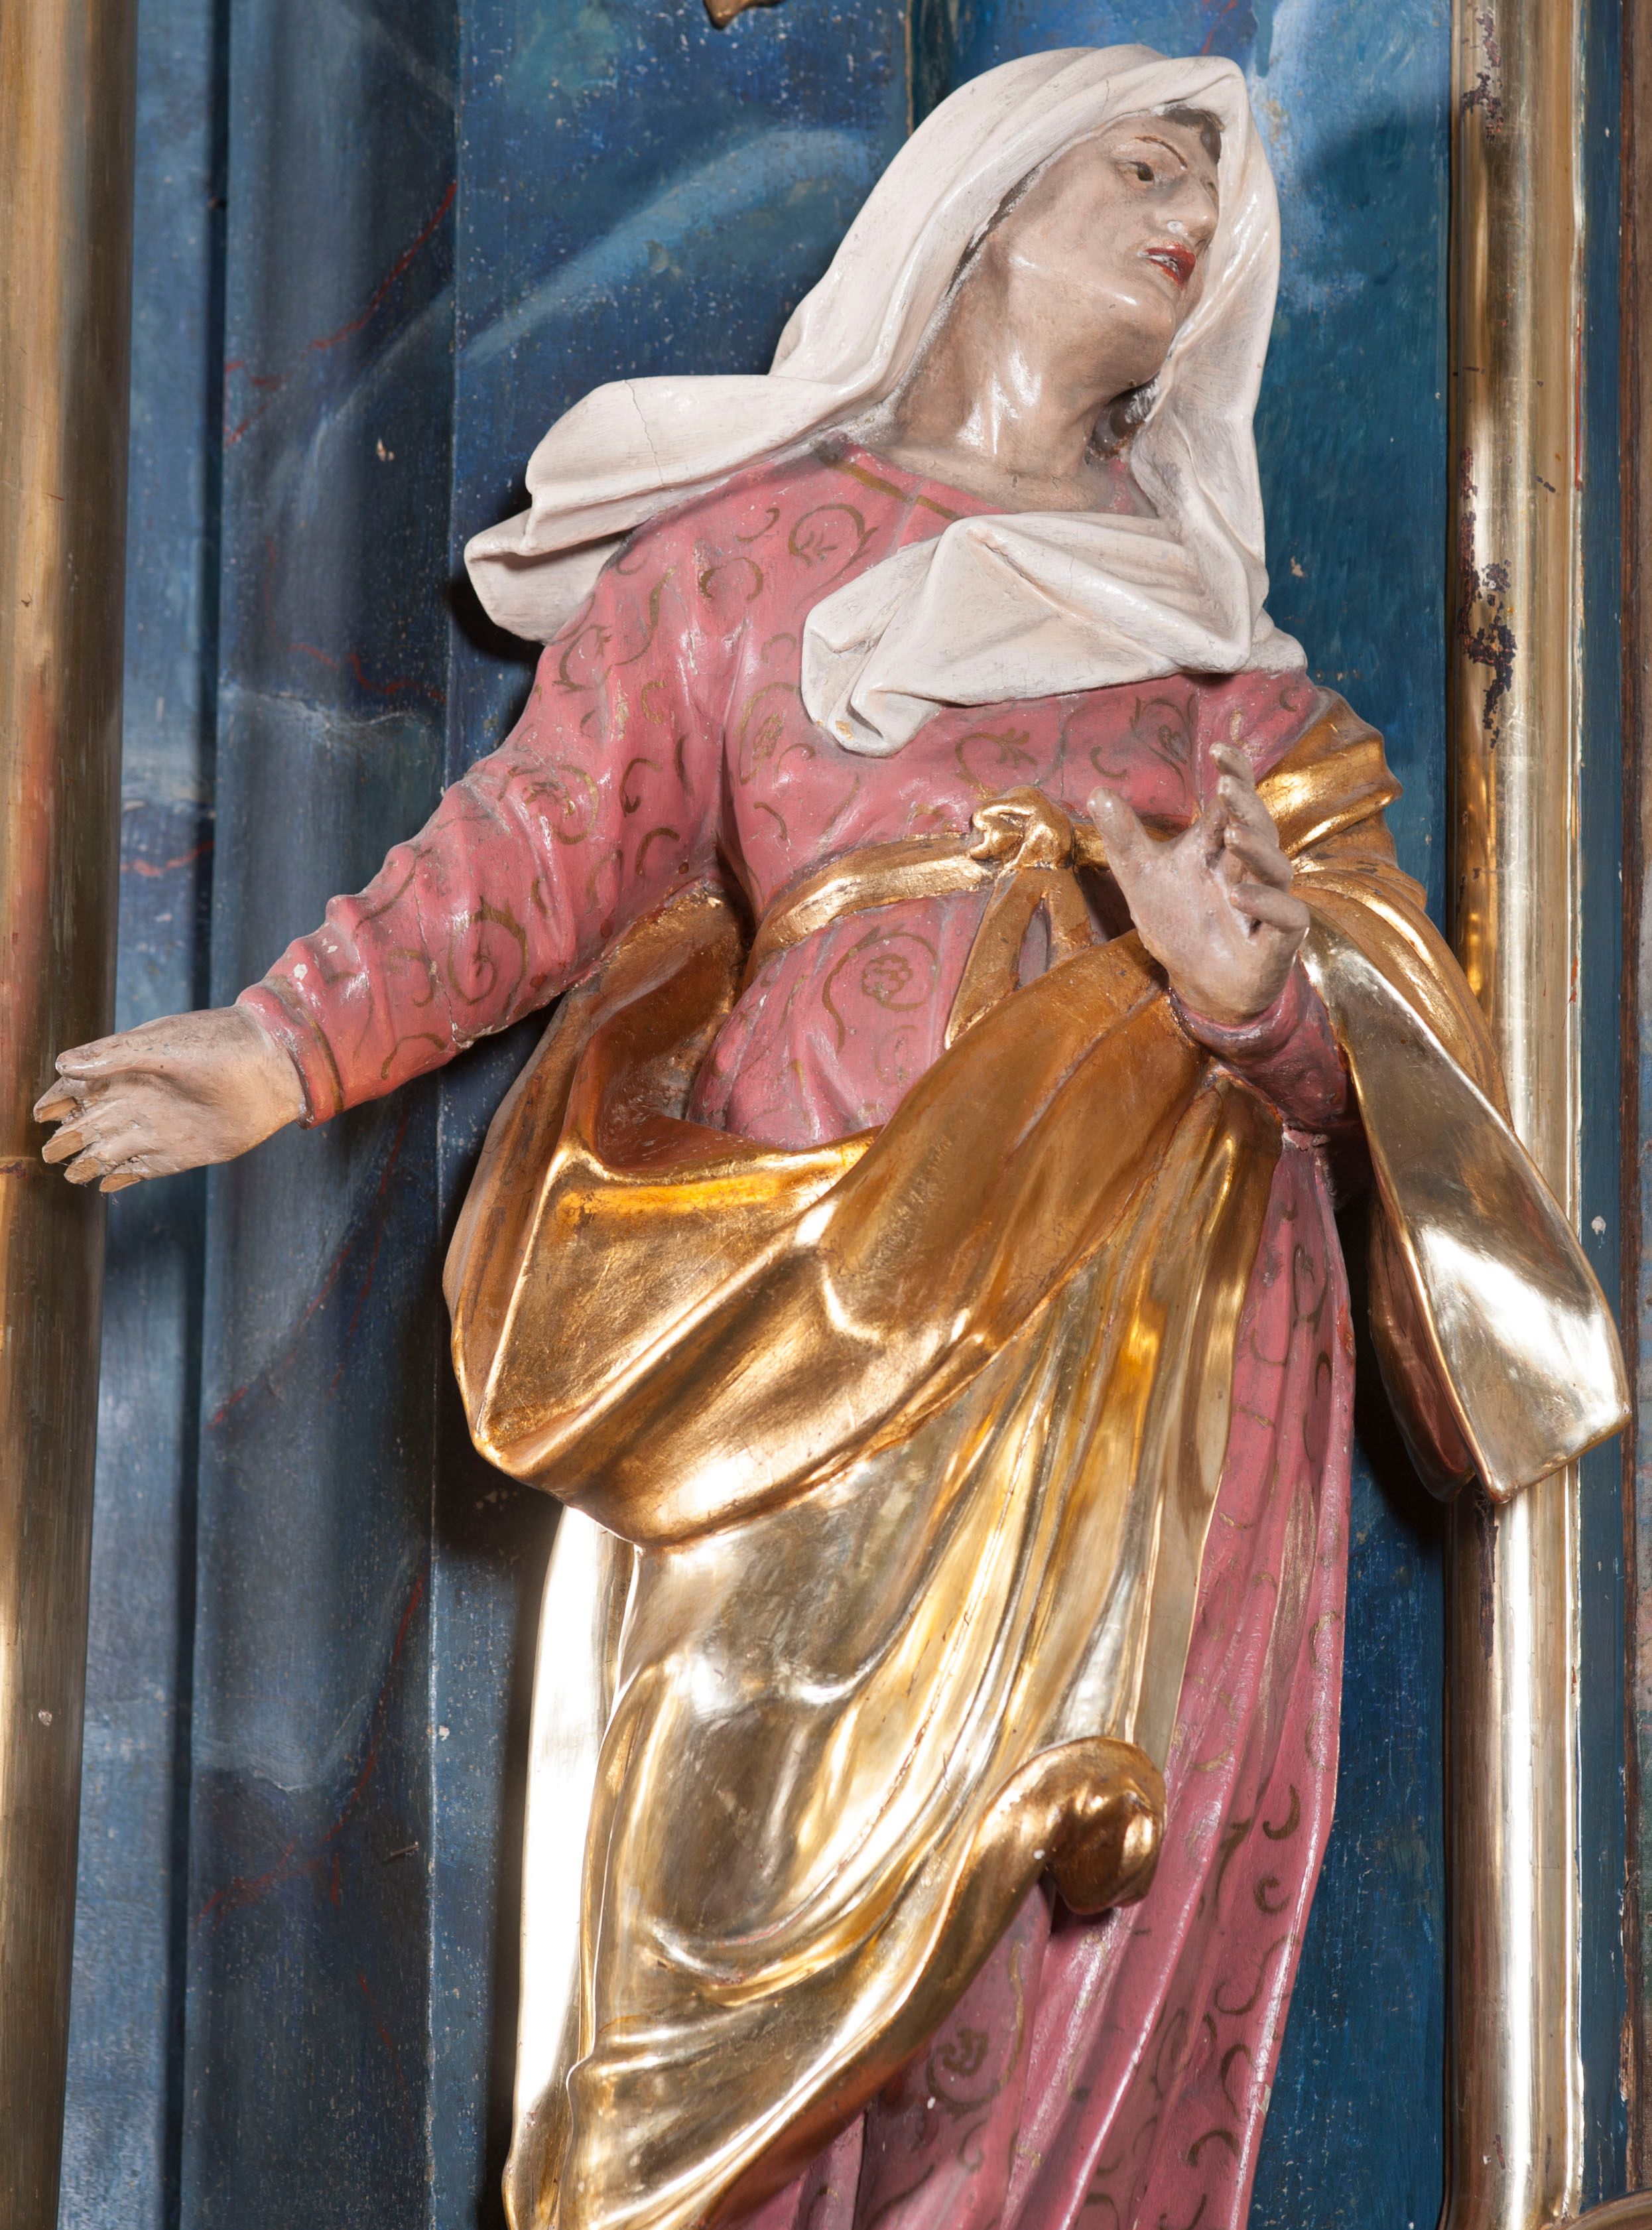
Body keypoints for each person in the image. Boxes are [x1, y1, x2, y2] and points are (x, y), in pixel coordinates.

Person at [34, 46, 1622, 2230]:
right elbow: (535, 848)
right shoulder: (740, 571)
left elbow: (1394, 1080)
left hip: (1151, 1363)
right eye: (1137, 165)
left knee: (1057, 1969)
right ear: (978, 205)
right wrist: (280, 1047)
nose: (1185, 216)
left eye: (1213, 204)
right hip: (807, 1310)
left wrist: (1250, 997)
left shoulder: (1231, 685)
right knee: (721, 1939)